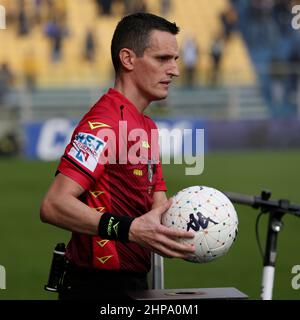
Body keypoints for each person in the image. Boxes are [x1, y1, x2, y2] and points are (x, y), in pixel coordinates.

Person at [40, 12, 195, 301]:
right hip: (96, 286)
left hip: (133, 283)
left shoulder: (147, 127)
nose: (174, 70)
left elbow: (156, 202)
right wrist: (130, 229)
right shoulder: (103, 124)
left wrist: (189, 225)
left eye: (175, 59)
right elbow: (53, 205)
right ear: (128, 59)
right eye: (163, 59)